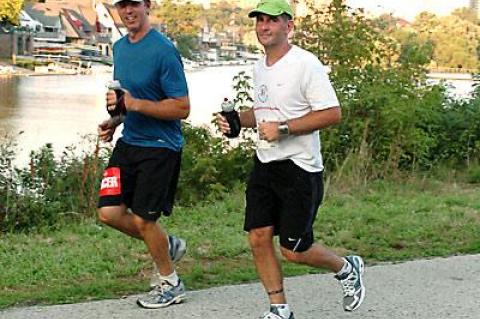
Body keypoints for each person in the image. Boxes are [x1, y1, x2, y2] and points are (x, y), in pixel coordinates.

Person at [216, 0, 365, 318]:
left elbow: (332, 113)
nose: (264, 27)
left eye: (272, 21)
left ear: (289, 26)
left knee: (294, 250)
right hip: (265, 163)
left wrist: (284, 129)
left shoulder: (305, 64)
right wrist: (236, 121)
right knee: (258, 237)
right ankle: (279, 309)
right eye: (260, 21)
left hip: (299, 167)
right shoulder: (260, 67)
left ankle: (345, 268)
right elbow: (263, 112)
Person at [97, 0, 190, 309]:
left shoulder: (163, 50)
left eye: (134, 4)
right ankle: (168, 245)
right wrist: (115, 120)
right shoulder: (120, 48)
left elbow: (182, 107)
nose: (128, 11)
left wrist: (134, 105)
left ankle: (171, 283)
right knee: (108, 213)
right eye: (122, 5)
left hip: (161, 147)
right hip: (130, 142)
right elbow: (126, 100)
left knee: (144, 219)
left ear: (147, 6)